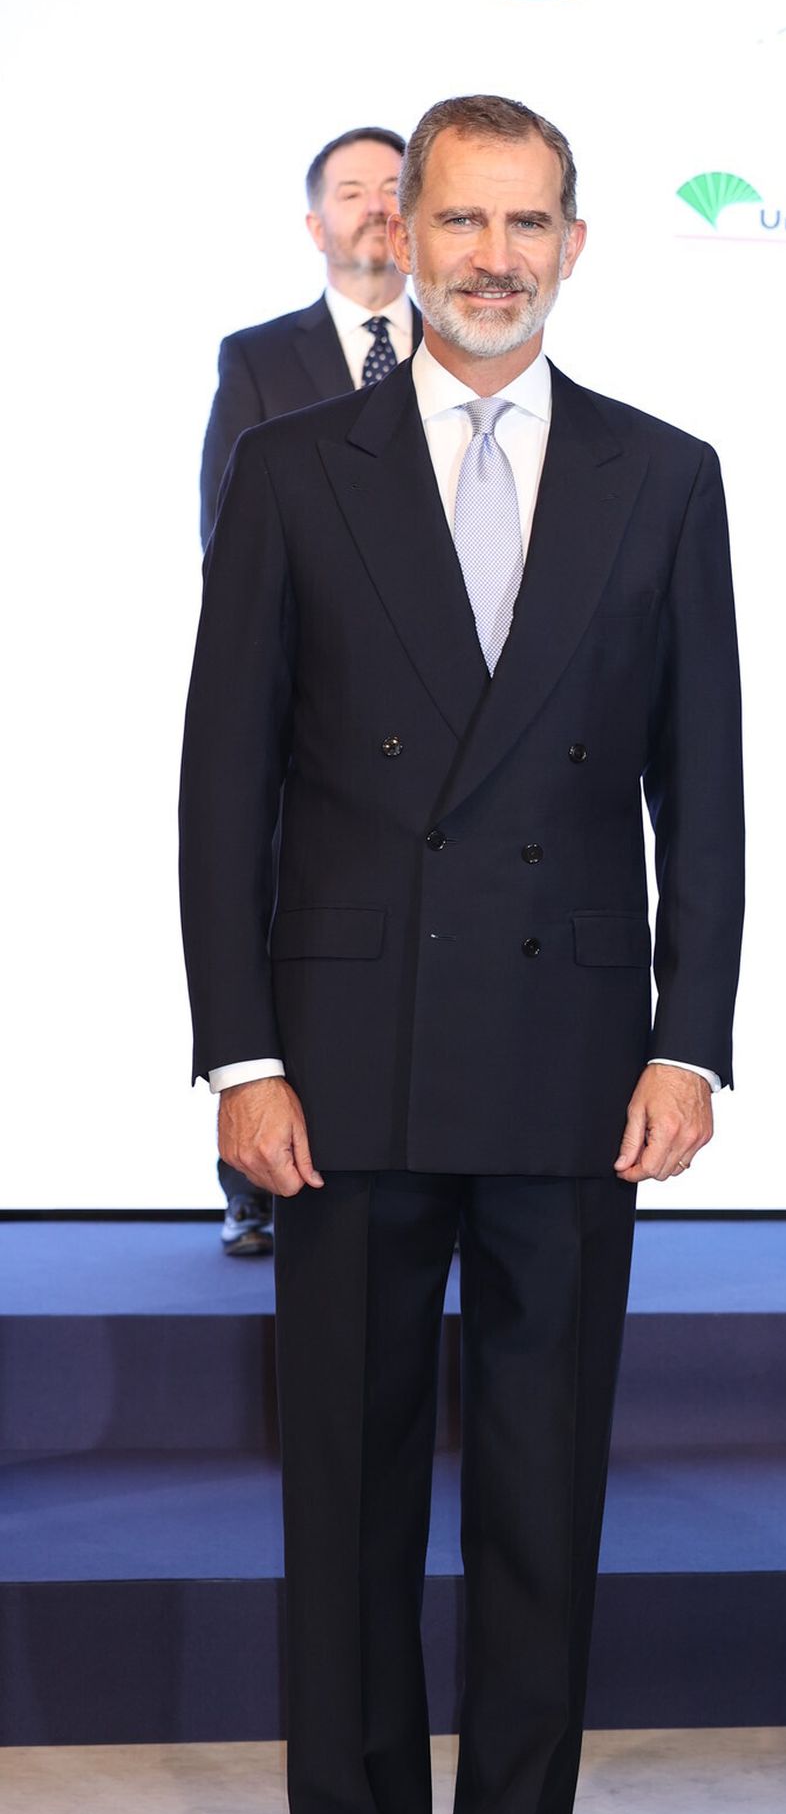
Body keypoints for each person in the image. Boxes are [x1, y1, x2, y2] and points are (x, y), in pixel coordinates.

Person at [178, 94, 744, 1814]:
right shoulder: (292, 468)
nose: (495, 256)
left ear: (574, 245)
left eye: (530, 223)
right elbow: (220, 788)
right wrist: (238, 1053)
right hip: (342, 1057)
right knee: (344, 1498)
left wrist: (695, 1040)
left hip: (578, 1059)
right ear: (398, 236)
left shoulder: (666, 477)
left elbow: (708, 798)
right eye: (461, 221)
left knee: (541, 1487)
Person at [200, 124, 419, 1258]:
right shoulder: (261, 358)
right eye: (353, 190)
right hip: (305, 716)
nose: (377, 206)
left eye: (396, 187)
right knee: (273, 916)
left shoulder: (469, 352)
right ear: (313, 224)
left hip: (441, 725)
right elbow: (226, 539)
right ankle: (257, 1174)